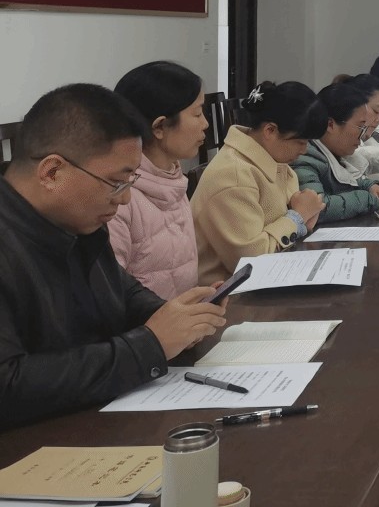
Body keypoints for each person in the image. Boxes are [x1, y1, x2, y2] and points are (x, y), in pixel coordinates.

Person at [0, 84, 226, 429]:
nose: (124, 200)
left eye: (131, 182)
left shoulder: (80, 222)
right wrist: (151, 345)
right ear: (52, 172)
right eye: (116, 183)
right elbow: (8, 385)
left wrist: (175, 318)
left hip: (99, 415)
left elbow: (121, 293)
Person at [190, 81, 328, 283]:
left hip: (268, 277)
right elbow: (249, 261)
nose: (304, 150)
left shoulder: (275, 161)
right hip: (227, 291)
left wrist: (302, 221)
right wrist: (297, 217)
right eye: (300, 142)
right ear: (270, 131)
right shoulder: (234, 175)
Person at [109, 61, 208, 299]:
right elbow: (111, 298)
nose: (205, 123)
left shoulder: (171, 179)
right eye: (197, 114)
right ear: (160, 127)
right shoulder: (117, 200)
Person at [292, 84, 379, 222]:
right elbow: (317, 207)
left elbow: (341, 183)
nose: (363, 135)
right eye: (360, 126)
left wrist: (368, 186)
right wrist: (369, 200)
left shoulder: (333, 151)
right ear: (330, 124)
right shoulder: (305, 155)